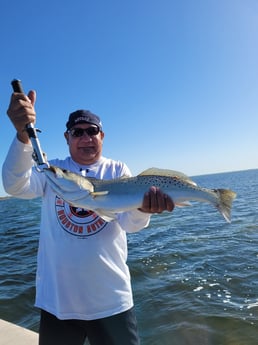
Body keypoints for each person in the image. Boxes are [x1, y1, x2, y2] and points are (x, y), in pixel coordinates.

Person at [2, 89, 175, 345]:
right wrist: (22, 136)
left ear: (102, 136)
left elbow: (129, 224)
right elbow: (14, 185)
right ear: (67, 137)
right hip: (58, 302)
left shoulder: (117, 170)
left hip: (111, 301)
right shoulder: (53, 172)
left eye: (92, 131)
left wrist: (142, 210)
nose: (86, 137)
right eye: (77, 132)